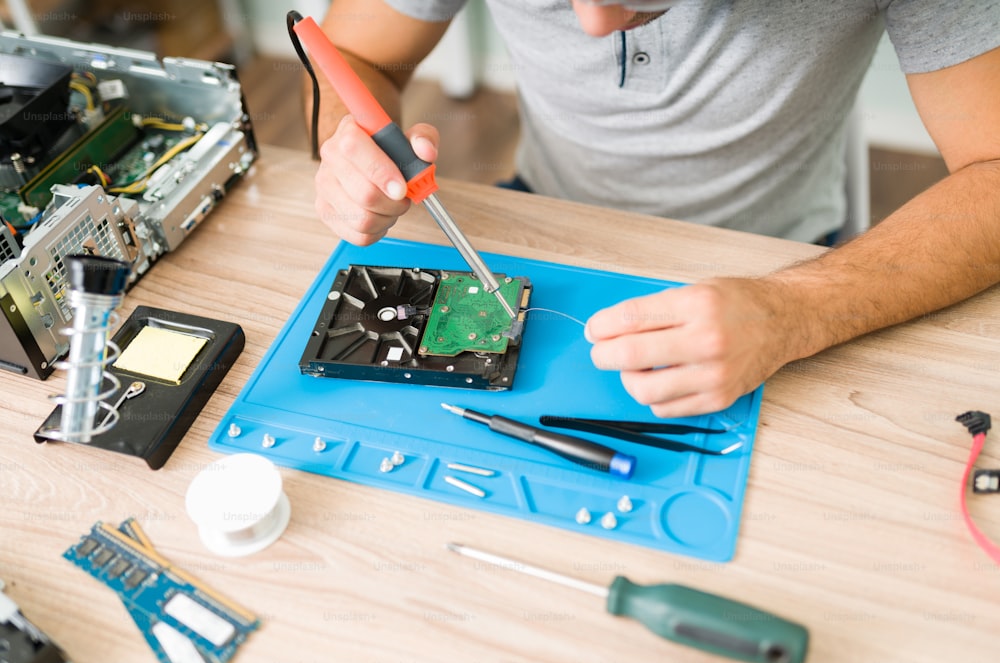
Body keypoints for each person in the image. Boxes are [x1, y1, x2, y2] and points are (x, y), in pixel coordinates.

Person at [307, 0, 1000, 417]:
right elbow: (353, 56)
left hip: (778, 260)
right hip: (540, 219)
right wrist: (350, 145)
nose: (594, 24)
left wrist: (801, 311)